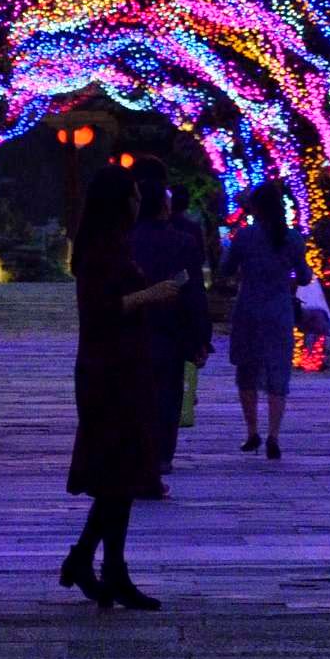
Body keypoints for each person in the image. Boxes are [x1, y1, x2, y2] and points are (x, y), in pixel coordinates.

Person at [60, 165, 183, 609]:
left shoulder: (115, 245)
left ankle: (101, 564)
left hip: (126, 365)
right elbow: (101, 309)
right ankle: (99, 564)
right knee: (117, 471)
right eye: (132, 197)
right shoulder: (99, 250)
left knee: (123, 474)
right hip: (108, 370)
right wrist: (152, 294)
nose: (138, 204)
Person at [128, 158, 210, 486]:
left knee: (136, 392)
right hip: (171, 331)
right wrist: (200, 338)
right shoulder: (183, 241)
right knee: (169, 392)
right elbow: (194, 295)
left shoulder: (125, 240)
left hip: (133, 329)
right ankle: (162, 454)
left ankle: (138, 450)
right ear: (165, 206)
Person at [224, 183, 302, 459]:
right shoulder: (292, 238)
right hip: (279, 312)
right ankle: (274, 435)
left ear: (255, 208)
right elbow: (304, 276)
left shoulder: (244, 237)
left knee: (247, 370)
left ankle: (252, 431)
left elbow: (227, 268)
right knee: (278, 370)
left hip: (249, 310)